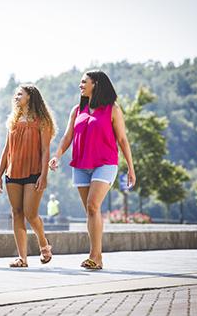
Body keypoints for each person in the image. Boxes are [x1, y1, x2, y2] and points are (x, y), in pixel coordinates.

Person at [49, 70, 135, 270]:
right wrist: (57, 155)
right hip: (80, 165)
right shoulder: (77, 110)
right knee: (90, 210)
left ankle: (94, 256)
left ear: (95, 84)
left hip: (105, 163)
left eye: (83, 82)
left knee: (93, 205)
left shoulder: (112, 109)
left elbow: (122, 139)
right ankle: (97, 256)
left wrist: (131, 168)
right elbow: (68, 137)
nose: (80, 85)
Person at [0, 84, 56, 268]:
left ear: (30, 97)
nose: (16, 97)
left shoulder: (42, 120)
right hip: (12, 172)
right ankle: (23, 258)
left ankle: (43, 244)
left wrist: (43, 175)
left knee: (30, 213)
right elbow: (6, 150)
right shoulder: (14, 119)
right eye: (16, 94)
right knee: (17, 213)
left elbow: (45, 150)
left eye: (20, 94)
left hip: (34, 172)